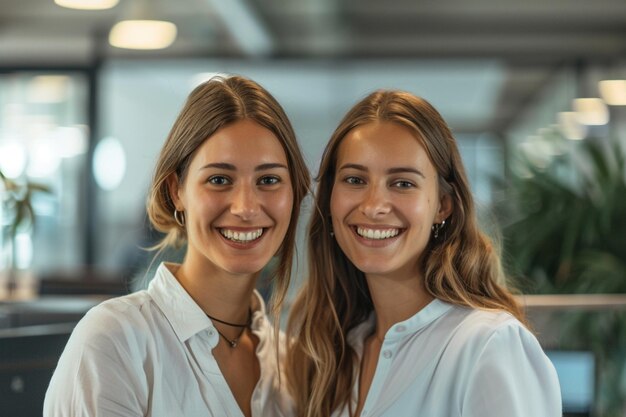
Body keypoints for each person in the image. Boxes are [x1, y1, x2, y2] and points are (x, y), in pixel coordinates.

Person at [44, 75, 310, 417]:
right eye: (219, 179)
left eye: (269, 180)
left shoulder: (291, 366)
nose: (245, 207)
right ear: (176, 191)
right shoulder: (115, 341)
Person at [286, 90, 562, 417]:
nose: (373, 206)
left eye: (402, 183)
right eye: (355, 179)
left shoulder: (488, 344)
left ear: (443, 205)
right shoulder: (332, 354)